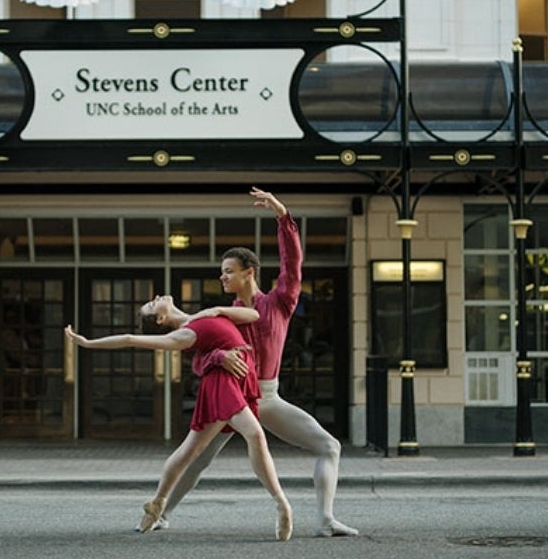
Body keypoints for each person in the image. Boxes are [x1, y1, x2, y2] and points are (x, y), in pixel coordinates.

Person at [157, 187, 359, 538]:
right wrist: (219, 356)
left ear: (248, 272)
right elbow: (197, 359)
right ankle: (160, 515)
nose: (222, 277)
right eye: (221, 272)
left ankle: (326, 520)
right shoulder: (223, 315)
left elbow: (292, 264)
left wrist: (283, 216)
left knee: (329, 446)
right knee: (198, 459)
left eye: (228, 271)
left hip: (266, 397)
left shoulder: (279, 302)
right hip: (233, 398)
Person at [64, 295, 293, 542]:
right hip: (222, 384)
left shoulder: (202, 316)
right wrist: (88, 343)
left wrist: (216, 309)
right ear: (161, 319)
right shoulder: (184, 334)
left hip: (237, 379)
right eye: (152, 305)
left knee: (190, 450)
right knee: (254, 434)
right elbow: (130, 339)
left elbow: (254, 315)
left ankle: (157, 503)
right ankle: (281, 504)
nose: (155, 298)